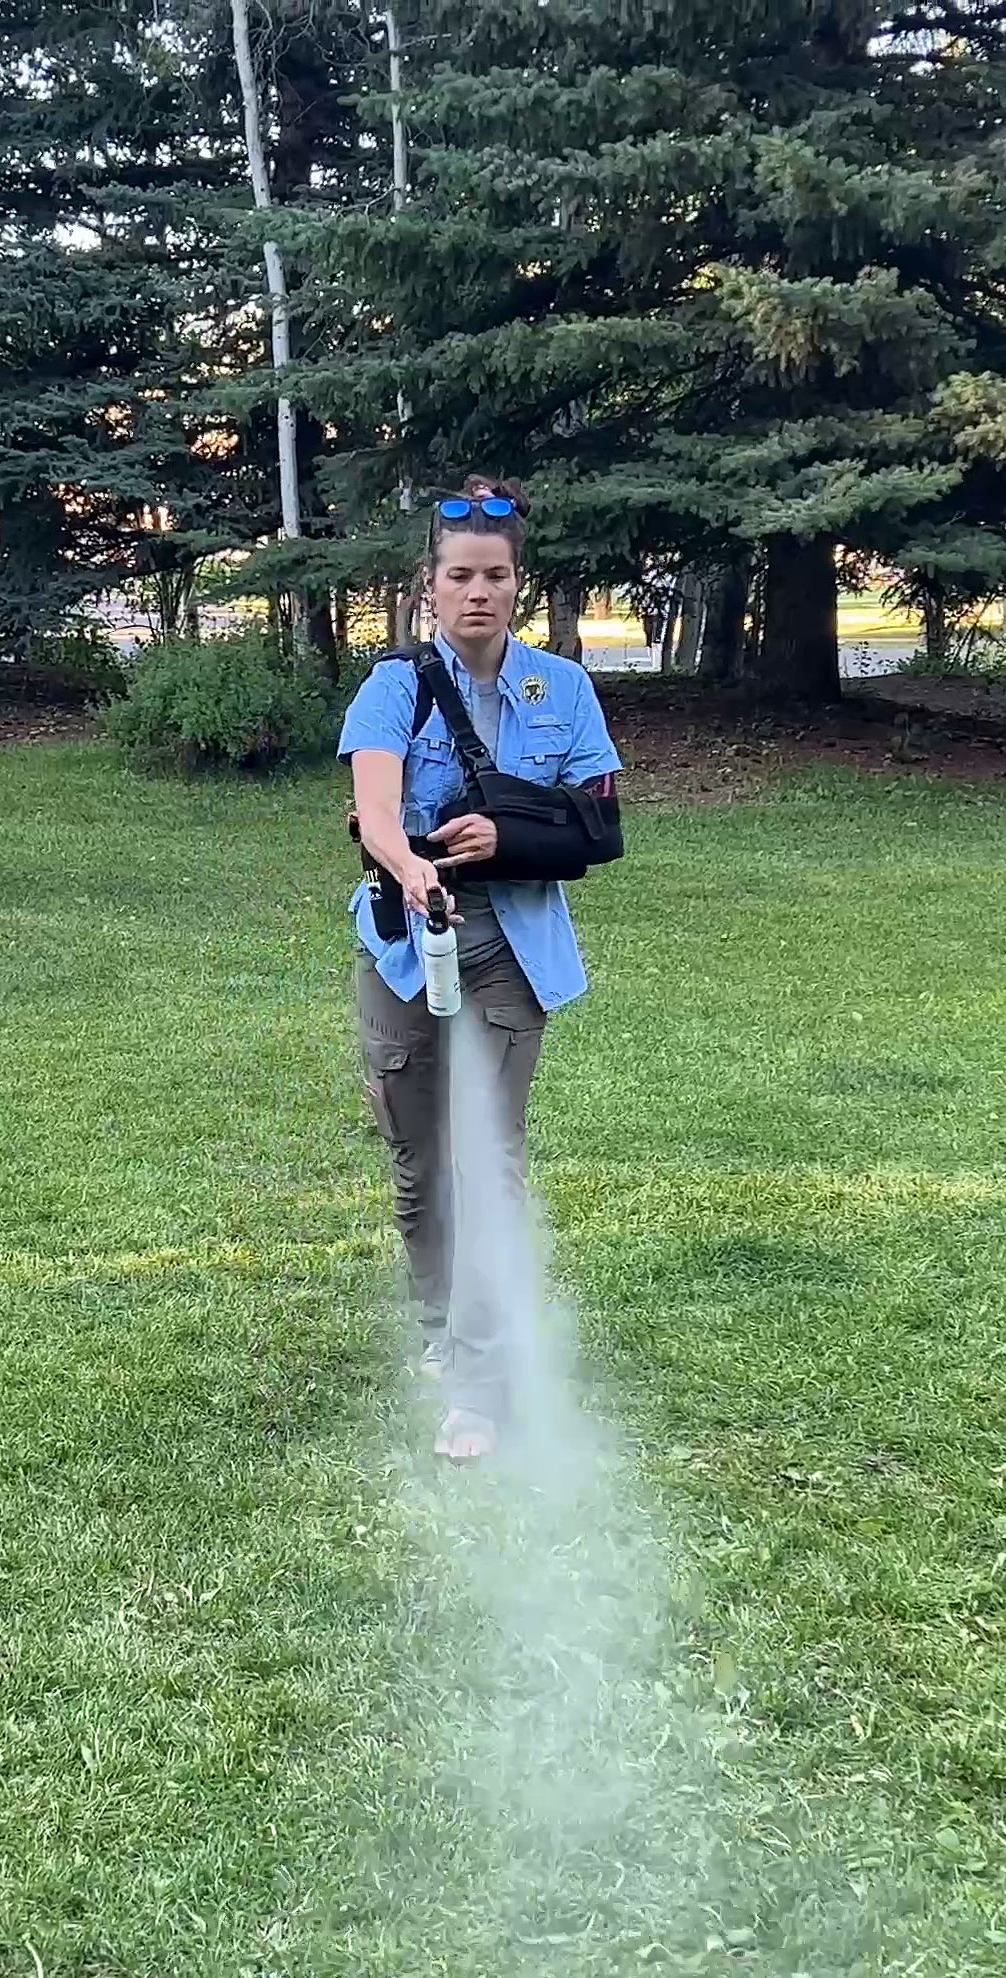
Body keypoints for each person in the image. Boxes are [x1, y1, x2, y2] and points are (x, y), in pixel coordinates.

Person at [338, 479, 622, 1462]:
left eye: (495, 577)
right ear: (431, 586)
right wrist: (407, 862)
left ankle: (480, 1384)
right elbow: (373, 805)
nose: (478, 593)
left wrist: (508, 832)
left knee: (489, 1166)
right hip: (404, 952)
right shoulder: (395, 686)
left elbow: (598, 825)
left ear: (517, 585)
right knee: (422, 1169)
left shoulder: (564, 688)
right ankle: (439, 1330)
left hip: (514, 953)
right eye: (459, 576)